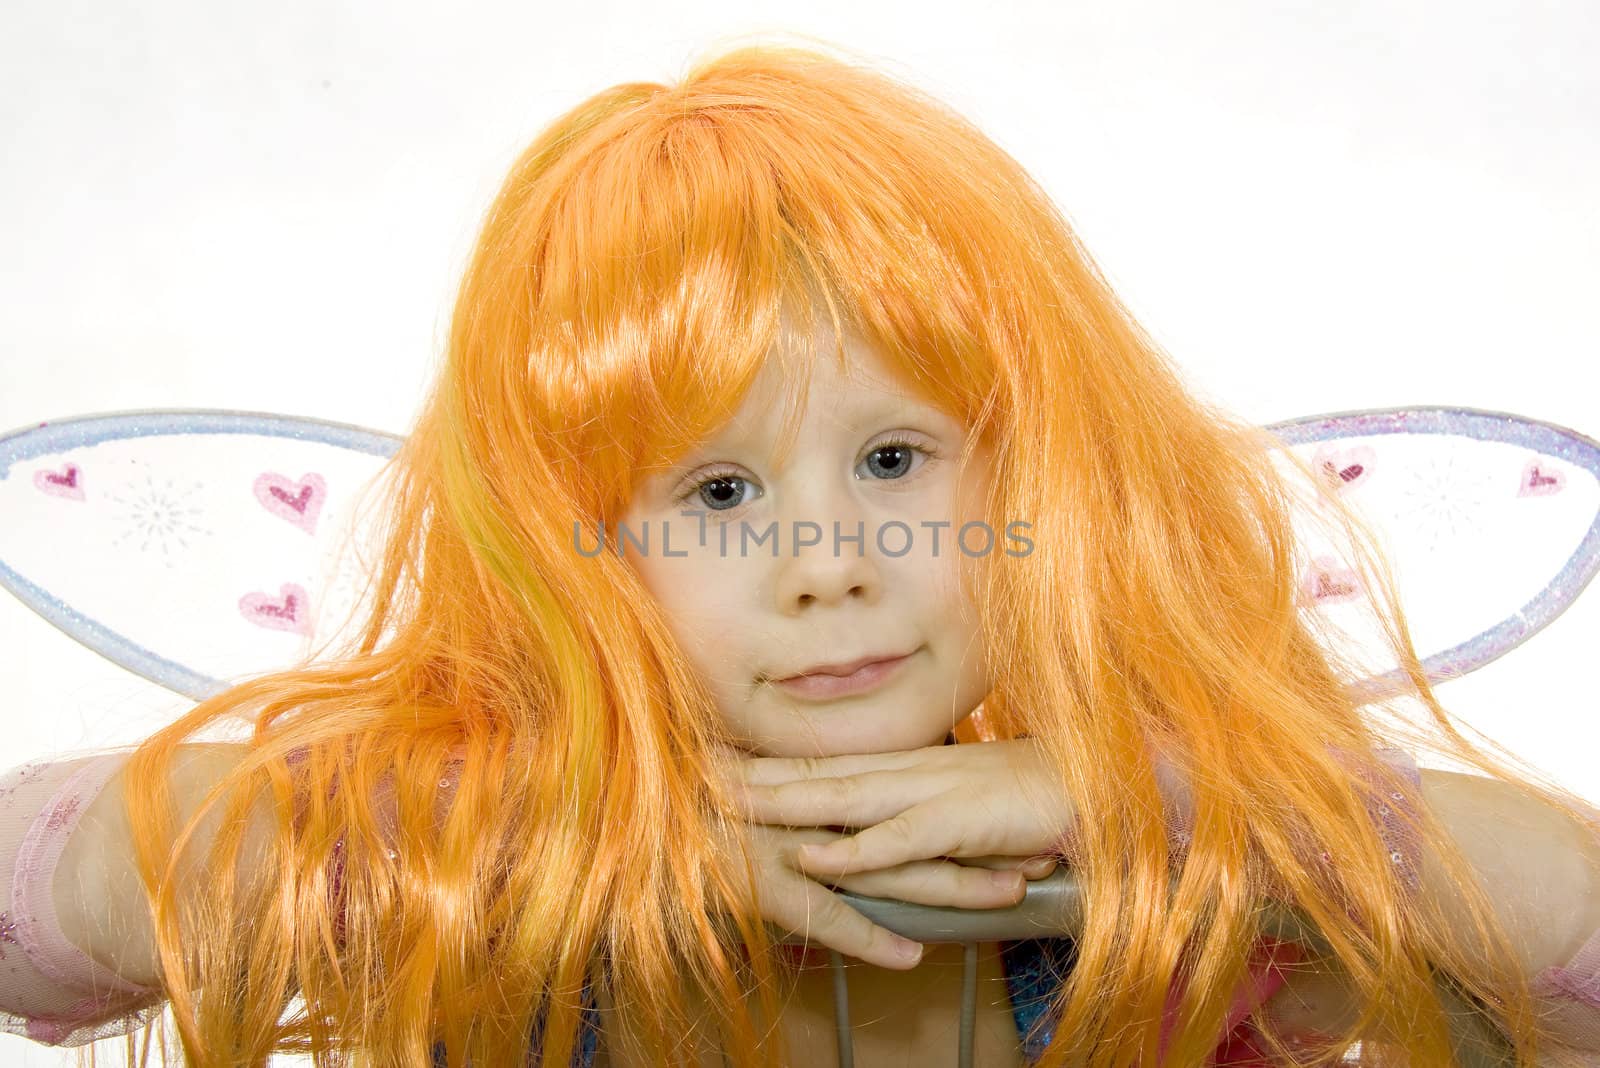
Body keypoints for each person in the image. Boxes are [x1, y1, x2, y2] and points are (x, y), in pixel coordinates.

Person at [3, 39, 1600, 1068]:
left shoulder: (1163, 911)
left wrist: (1167, 807)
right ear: (580, 549)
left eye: (896, 458)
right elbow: (35, 913)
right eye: (712, 497)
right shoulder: (486, 891)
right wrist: (565, 839)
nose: (826, 563)